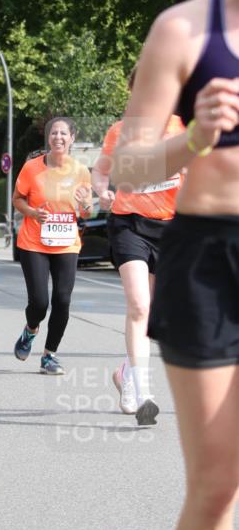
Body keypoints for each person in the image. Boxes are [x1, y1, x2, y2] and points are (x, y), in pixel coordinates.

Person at [112, 0, 239, 530]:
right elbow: (123, 165)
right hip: (207, 263)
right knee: (217, 481)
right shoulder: (185, 29)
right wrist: (190, 138)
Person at [92, 69, 185, 425]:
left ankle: (125, 374)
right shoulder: (120, 131)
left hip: (171, 228)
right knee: (138, 305)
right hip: (129, 223)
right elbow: (100, 172)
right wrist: (102, 191)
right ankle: (144, 392)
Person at [12, 117, 93, 375]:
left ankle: (49, 355)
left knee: (62, 300)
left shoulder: (81, 171)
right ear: (48, 138)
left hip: (67, 243)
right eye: (54, 133)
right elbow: (17, 199)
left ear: (72, 138)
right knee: (39, 302)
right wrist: (33, 212)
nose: (58, 137)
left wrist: (86, 205)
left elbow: (87, 213)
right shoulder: (32, 168)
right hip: (34, 241)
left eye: (63, 134)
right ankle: (31, 329)